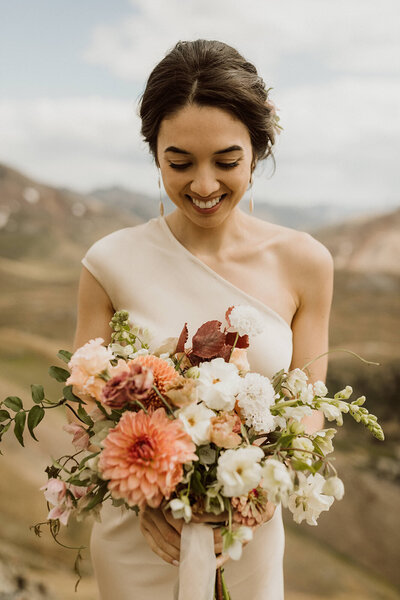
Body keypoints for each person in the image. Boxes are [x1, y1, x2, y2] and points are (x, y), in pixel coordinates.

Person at [72, 39, 333, 600]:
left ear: (258, 152)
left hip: (249, 534)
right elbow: (89, 410)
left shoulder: (305, 263)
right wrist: (141, 499)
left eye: (228, 161)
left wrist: (261, 491)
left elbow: (311, 400)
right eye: (180, 163)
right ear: (155, 154)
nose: (205, 185)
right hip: (141, 539)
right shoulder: (107, 263)